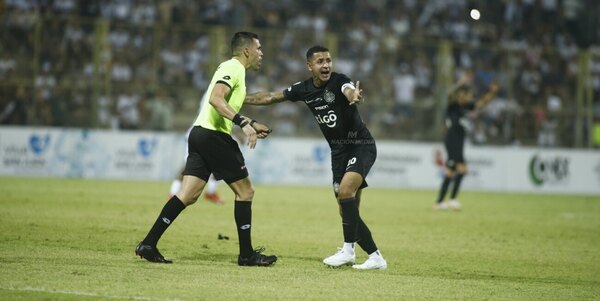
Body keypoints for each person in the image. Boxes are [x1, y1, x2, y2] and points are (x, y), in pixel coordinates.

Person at [135, 31, 277, 266]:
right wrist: (244, 123)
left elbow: (236, 102)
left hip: (199, 134)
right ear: (246, 51)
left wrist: (253, 120)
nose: (262, 53)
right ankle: (247, 255)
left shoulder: (234, 73)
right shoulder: (233, 68)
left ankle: (148, 243)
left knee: (188, 194)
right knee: (245, 192)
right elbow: (215, 99)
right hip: (214, 137)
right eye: (259, 48)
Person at [244, 45, 387, 270]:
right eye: (320, 61)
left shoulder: (340, 81)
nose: (326, 65)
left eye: (328, 60)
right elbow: (271, 96)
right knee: (346, 208)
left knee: (345, 192)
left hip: (359, 145)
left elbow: (349, 90)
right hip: (338, 152)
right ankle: (375, 256)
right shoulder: (303, 89)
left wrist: (354, 95)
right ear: (310, 66)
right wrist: (241, 99)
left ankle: (348, 251)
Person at [434, 79, 499, 210]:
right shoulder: (453, 106)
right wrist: (460, 83)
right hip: (452, 140)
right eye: (467, 94)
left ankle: (439, 202)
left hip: (459, 140)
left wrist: (491, 92)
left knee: (451, 171)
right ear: (460, 94)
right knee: (462, 169)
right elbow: (450, 94)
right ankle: (452, 199)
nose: (469, 97)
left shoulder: (465, 107)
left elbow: (480, 104)